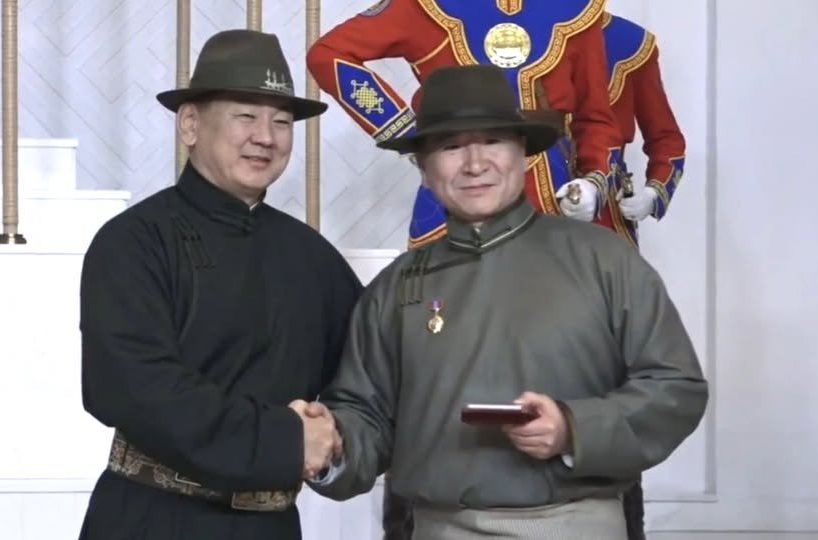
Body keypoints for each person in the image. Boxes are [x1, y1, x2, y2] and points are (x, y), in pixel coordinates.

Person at [293, 64, 709, 539]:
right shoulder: (395, 288)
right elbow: (365, 418)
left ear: (523, 154)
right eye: (451, 147)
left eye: (492, 141)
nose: (475, 164)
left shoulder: (604, 260)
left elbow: (675, 388)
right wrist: (327, 445)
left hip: (577, 525)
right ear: (424, 170)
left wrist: (573, 429)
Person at [76, 29, 360, 540]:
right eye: (245, 116)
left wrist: (336, 436)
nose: (266, 137)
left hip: (272, 526)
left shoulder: (313, 257)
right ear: (190, 124)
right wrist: (286, 439)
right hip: (152, 519)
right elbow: (135, 389)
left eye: (281, 122)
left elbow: (366, 376)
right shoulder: (133, 241)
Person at [306, 0, 625, 248]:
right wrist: (406, 131)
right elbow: (328, 54)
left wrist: (594, 181)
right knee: (442, 304)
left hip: (551, 192)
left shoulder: (576, 9)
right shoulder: (423, 6)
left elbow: (595, 117)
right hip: (454, 193)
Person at [602, 11, 687, 247]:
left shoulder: (629, 42)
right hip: (529, 204)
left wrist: (652, 194)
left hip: (605, 214)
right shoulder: (520, 33)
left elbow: (666, 139)